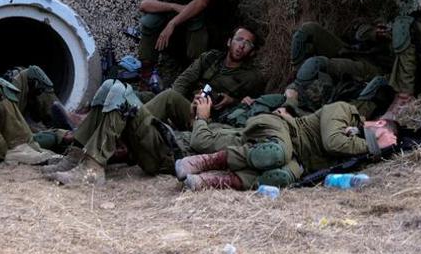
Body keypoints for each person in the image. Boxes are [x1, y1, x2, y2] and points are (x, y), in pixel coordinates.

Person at [47, 27, 267, 185]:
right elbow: (183, 81)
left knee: (160, 96)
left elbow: (246, 108)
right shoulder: (211, 59)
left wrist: (231, 102)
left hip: (208, 120)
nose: (241, 46)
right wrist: (191, 104)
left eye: (248, 44)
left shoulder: (252, 78)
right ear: (230, 41)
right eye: (239, 39)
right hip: (190, 109)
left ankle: (92, 156)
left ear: (252, 51)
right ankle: (76, 154)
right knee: (112, 85)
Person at [175, 98, 399, 191]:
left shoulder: (359, 149)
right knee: (277, 153)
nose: (382, 142)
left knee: (279, 177)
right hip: (282, 129)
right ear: (379, 123)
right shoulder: (344, 110)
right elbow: (333, 142)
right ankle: (206, 161)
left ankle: (212, 181)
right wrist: (376, 144)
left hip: (298, 160)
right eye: (384, 135)